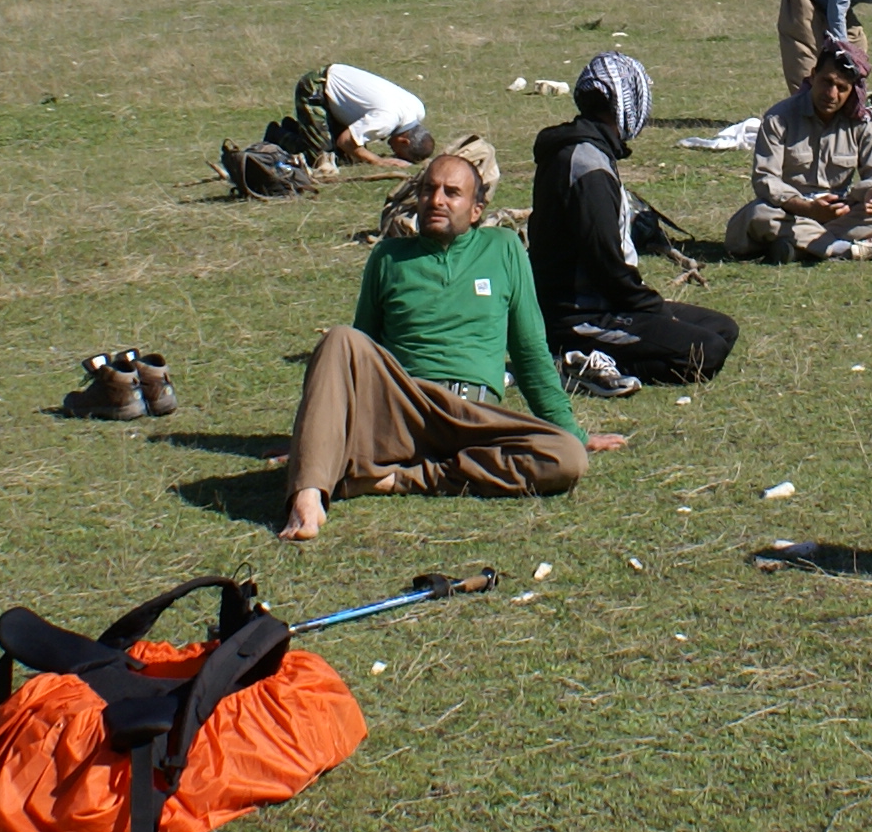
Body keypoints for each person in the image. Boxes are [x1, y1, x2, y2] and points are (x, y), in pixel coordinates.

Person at [277, 152, 627, 540]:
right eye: (428, 190)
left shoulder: (504, 249)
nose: (436, 200)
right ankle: (308, 496)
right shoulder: (389, 257)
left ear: (476, 210)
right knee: (339, 339)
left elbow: (529, 354)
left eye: (451, 192)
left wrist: (574, 432)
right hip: (406, 408)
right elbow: (358, 361)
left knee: (567, 458)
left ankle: (397, 479)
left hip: (473, 415)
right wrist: (314, 441)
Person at [528, 51, 740, 389]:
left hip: (603, 302)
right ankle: (575, 362)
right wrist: (651, 308)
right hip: (580, 315)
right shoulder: (587, 166)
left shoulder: (586, 149)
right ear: (625, 102)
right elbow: (606, 265)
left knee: (723, 329)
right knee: (705, 351)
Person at [726, 52, 872, 264]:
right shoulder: (779, 118)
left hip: (837, 212)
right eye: (826, 82)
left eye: (842, 88)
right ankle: (844, 249)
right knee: (759, 214)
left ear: (851, 91)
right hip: (790, 210)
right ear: (813, 74)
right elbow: (766, 179)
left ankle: (798, 248)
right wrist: (807, 208)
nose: (831, 93)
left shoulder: (862, 122)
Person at [290, 63, 434, 173]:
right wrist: (378, 161)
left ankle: (299, 130)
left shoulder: (418, 109)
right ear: (404, 141)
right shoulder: (386, 121)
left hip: (335, 87)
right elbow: (345, 141)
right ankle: (280, 137)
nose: (394, 152)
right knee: (321, 161)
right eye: (399, 153)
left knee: (347, 159)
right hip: (316, 88)